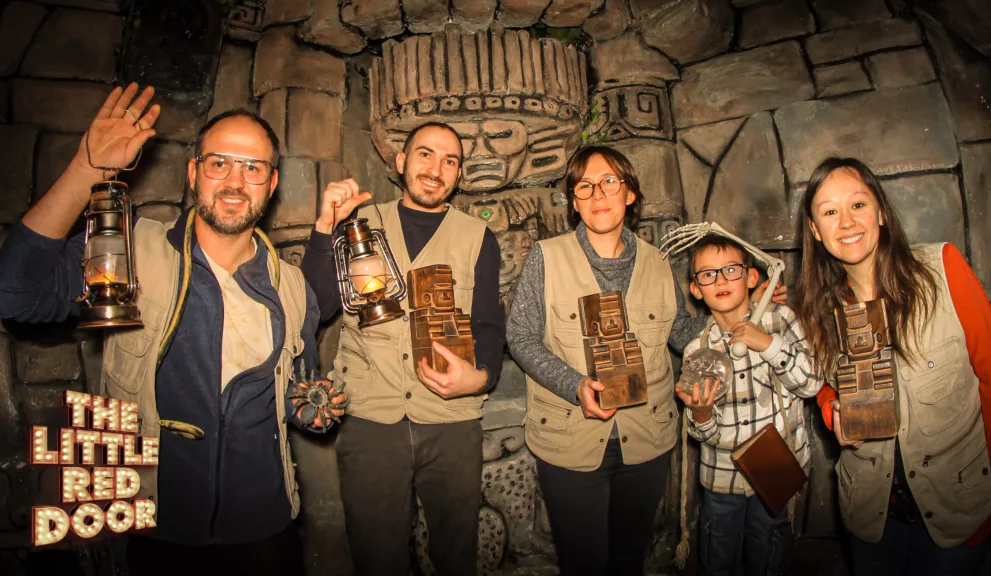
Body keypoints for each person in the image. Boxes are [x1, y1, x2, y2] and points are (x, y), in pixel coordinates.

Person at [0, 84, 343, 575]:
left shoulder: (290, 287)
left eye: (252, 168)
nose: (234, 181)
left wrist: (315, 406)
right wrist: (86, 170)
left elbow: (297, 391)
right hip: (159, 529)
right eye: (218, 163)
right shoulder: (131, 253)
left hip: (266, 529)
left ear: (271, 184)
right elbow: (15, 295)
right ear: (193, 172)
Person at [507, 146, 785, 575]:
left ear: (630, 193)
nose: (598, 194)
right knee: (582, 562)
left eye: (609, 182)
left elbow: (680, 332)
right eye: (585, 186)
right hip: (570, 440)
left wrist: (746, 308)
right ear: (574, 201)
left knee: (628, 559)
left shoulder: (657, 263)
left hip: (646, 440)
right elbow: (521, 336)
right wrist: (574, 384)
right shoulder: (547, 257)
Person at [794, 157, 991, 576]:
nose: (846, 222)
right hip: (871, 516)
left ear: (881, 212)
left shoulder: (944, 269)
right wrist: (832, 411)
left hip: (955, 510)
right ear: (815, 229)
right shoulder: (818, 308)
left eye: (858, 205)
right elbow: (823, 384)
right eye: (829, 212)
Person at [301, 121, 505, 576]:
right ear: (401, 161)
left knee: (457, 557)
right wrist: (324, 230)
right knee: (376, 558)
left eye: (450, 161)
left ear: (459, 174)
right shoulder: (358, 224)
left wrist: (480, 377)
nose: (436, 169)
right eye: (425, 154)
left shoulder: (477, 237)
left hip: (452, 422)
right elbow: (315, 306)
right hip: (370, 420)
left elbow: (489, 326)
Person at [678, 233, 822, 576]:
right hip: (721, 481)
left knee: (770, 559)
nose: (720, 281)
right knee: (718, 561)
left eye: (731, 270)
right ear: (696, 289)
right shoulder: (697, 350)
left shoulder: (781, 320)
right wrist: (701, 413)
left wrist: (769, 345)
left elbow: (811, 384)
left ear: (752, 277)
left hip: (776, 475)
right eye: (708, 274)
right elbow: (704, 434)